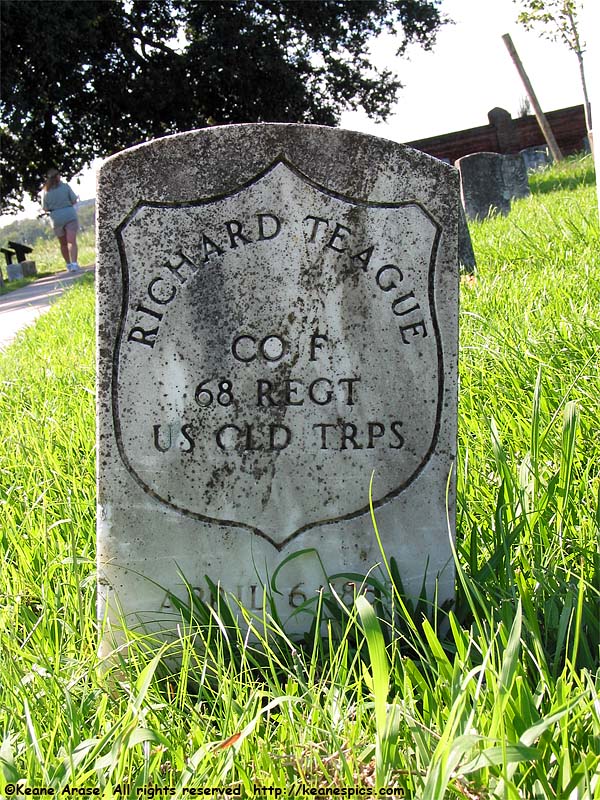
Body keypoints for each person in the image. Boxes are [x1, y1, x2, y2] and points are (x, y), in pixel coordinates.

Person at [42, 168, 81, 272]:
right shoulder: (65, 187)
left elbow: (45, 208)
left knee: (63, 243)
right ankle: (74, 263)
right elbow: (73, 200)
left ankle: (68, 264)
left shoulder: (45, 191)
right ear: (57, 176)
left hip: (56, 218)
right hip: (69, 215)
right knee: (71, 241)